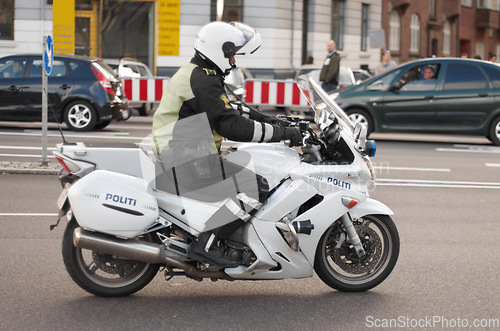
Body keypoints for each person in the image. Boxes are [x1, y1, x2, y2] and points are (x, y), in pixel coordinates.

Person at [152, 21, 301, 268]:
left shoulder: (200, 73)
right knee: (256, 187)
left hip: (183, 154)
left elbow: (234, 108)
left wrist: (280, 122)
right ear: (218, 49)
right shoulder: (203, 78)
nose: (234, 61)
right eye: (231, 55)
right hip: (185, 159)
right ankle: (208, 244)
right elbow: (230, 125)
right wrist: (282, 134)